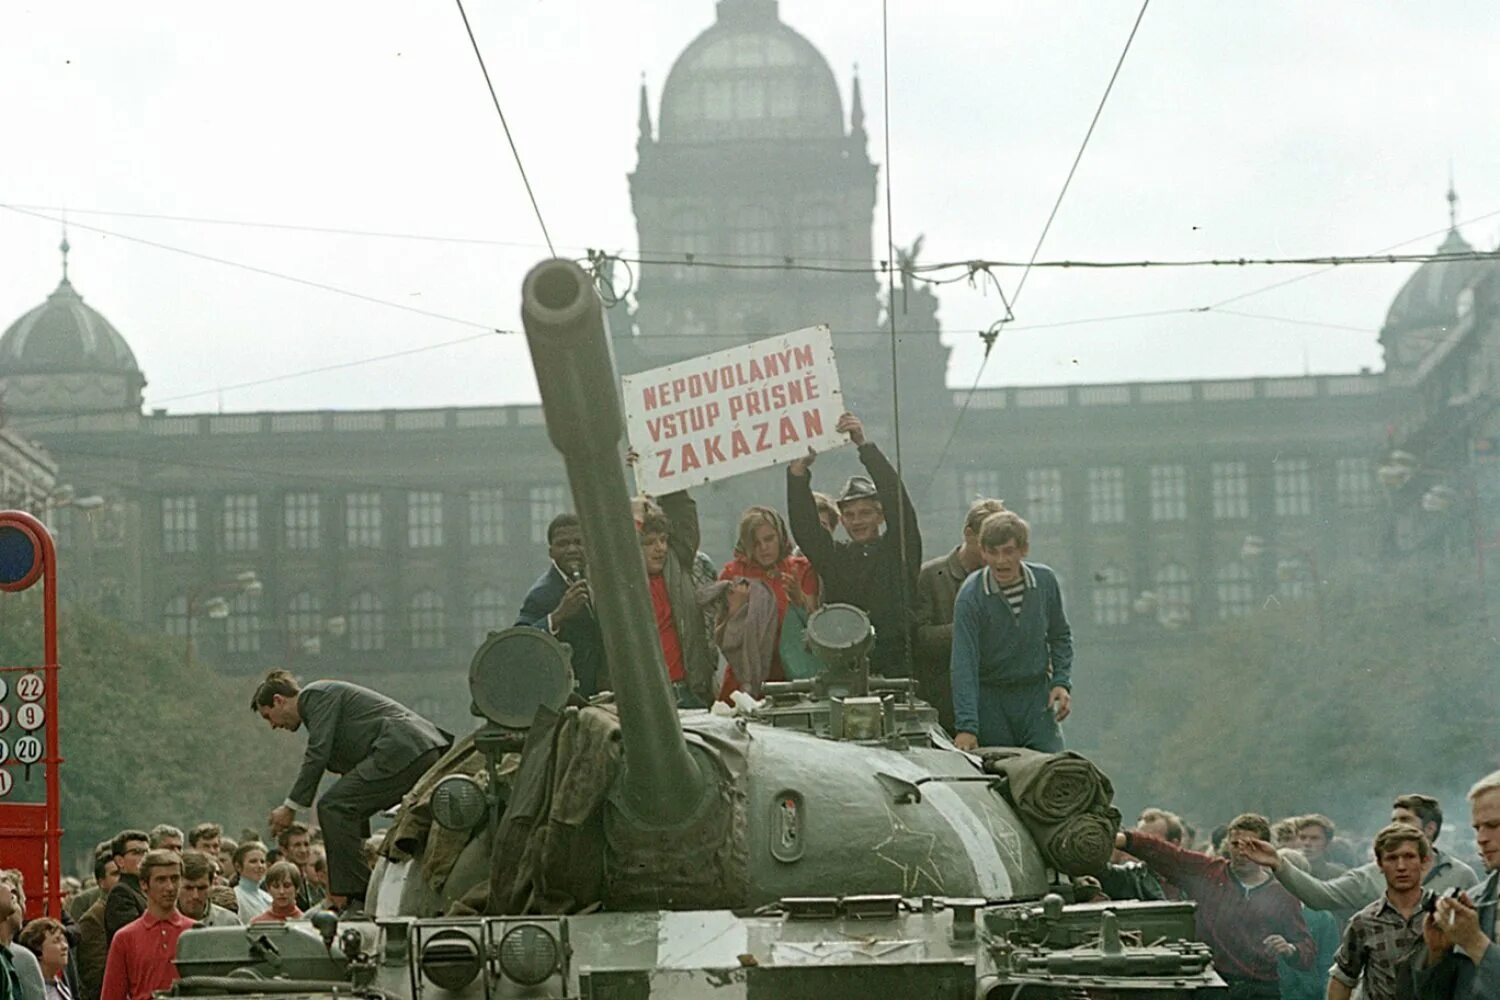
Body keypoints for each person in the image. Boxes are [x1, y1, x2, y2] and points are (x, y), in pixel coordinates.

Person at [253, 670, 450, 912]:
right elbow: (355, 788)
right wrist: (357, 841)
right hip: (413, 751)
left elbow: (317, 754)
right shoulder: (327, 710)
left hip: (403, 749)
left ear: (278, 700)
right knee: (341, 806)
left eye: (268, 716)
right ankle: (362, 891)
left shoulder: (316, 696)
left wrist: (291, 807)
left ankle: (355, 896)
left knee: (332, 806)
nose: (273, 725)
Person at [1119, 813, 1315, 999]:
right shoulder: (1209, 873)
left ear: (1266, 848)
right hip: (1212, 984)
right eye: (1236, 844)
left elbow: (1306, 949)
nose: (1242, 851)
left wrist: (1289, 949)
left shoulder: (1281, 894)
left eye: (1251, 845)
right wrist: (1124, 840)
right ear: (1227, 845)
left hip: (1260, 989)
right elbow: (1168, 854)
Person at [786, 411, 921, 677]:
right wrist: (798, 474)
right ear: (842, 521)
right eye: (849, 515)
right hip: (844, 669)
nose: (857, 521)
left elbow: (899, 502)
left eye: (865, 513)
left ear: (881, 516)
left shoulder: (898, 550)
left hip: (898, 671)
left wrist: (864, 445)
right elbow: (806, 529)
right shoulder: (836, 558)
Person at [949, 512, 1074, 753]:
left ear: (1023, 550)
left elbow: (1060, 635)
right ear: (983, 552)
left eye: (1008, 551)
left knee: (1052, 770)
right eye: (992, 553)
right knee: (1003, 772)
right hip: (992, 701)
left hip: (1035, 697)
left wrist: (1061, 681)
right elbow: (964, 663)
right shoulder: (971, 596)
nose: (1000, 561)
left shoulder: (1045, 581)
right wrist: (967, 726)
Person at [1238, 793, 1478, 915]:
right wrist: (1279, 864)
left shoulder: (1460, 875)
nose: (1395, 827)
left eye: (1405, 820)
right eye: (1393, 821)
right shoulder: (1373, 874)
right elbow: (1322, 896)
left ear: (1430, 828)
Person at [913, 498, 1007, 733]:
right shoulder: (932, 576)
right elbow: (919, 639)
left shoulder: (1005, 577)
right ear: (968, 533)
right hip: (947, 701)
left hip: (997, 699)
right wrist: (967, 629)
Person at [715, 506, 820, 699]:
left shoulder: (801, 569)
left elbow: (818, 630)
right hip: (746, 685)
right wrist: (736, 610)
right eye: (755, 543)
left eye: (769, 539)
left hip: (796, 679)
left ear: (780, 537)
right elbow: (722, 639)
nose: (763, 548)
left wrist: (799, 599)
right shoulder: (733, 575)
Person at [1413, 770, 1500, 999]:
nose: (1481, 838)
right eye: (1477, 828)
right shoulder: (1476, 901)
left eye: (1493, 825)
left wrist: (1476, 945)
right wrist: (1437, 955)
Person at [1326, 823, 1434, 1000]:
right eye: (1391, 858)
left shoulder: (1442, 916)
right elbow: (1342, 978)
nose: (1401, 866)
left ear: (1424, 861)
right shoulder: (1364, 921)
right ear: (1380, 865)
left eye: (1409, 857)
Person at [634, 491, 716, 708]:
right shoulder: (623, 583)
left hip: (688, 693)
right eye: (649, 542)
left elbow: (684, 516)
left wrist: (656, 466)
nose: (659, 547)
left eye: (663, 540)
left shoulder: (677, 566)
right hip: (647, 700)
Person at [515, 513, 608, 696]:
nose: (572, 549)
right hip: (570, 697)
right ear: (551, 552)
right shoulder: (541, 594)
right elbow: (520, 644)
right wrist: (558, 615)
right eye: (563, 544)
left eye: (578, 542)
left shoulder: (602, 581)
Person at [98, 850, 192, 1000]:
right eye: (161, 880)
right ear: (143, 884)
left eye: (175, 879)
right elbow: (112, 995)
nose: (170, 887)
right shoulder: (125, 938)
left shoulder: (195, 932)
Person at [74, 850, 118, 1000]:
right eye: (115, 874)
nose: (121, 879)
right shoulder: (93, 919)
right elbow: (95, 977)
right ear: (101, 882)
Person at [101, 830, 149, 946]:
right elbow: (133, 937)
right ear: (120, 861)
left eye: (147, 852)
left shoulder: (146, 889)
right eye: (137, 852)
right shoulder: (121, 893)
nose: (144, 858)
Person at [176, 852, 239, 928]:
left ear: (211, 885)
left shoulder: (228, 922)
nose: (195, 896)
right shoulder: (163, 921)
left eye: (201, 888)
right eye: (188, 888)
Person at [17, 919, 70, 1000]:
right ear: (37, 949)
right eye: (57, 941)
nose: (65, 946)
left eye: (64, 940)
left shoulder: (60, 986)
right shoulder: (32, 992)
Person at [1292, 814, 1345, 879]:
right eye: (1302, 838)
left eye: (1314, 838)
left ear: (1327, 843)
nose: (1307, 843)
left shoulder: (1339, 876)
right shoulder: (1284, 873)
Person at [230, 843, 270, 923]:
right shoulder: (235, 897)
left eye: (262, 862)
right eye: (253, 861)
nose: (260, 866)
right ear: (238, 867)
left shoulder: (268, 897)